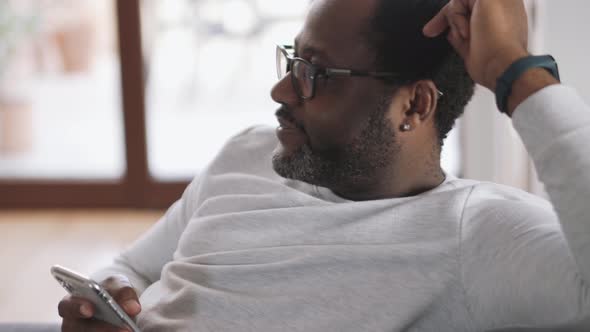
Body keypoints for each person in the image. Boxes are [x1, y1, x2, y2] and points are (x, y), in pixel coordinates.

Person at [58, 0, 590, 331]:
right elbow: (134, 268)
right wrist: (106, 301)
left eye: (315, 73)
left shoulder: (476, 239)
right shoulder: (250, 153)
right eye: (294, 60)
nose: (280, 89)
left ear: (415, 105)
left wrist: (516, 73)